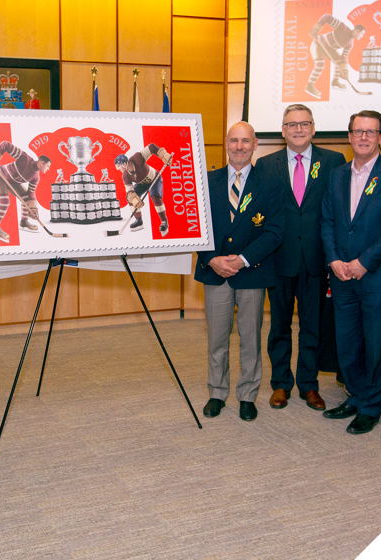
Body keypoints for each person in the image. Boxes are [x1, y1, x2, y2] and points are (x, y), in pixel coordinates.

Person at [320, 110, 381, 434]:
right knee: (347, 343)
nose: (363, 137)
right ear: (349, 136)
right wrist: (333, 260)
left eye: (370, 132)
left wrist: (364, 262)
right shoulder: (337, 175)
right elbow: (328, 220)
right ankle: (356, 396)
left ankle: (372, 406)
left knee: (377, 344)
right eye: (358, 131)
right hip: (341, 275)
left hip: (376, 276)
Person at [194, 122, 284, 422]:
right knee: (217, 338)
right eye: (234, 141)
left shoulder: (270, 182)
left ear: (256, 144)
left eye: (246, 141)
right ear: (225, 143)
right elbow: (196, 227)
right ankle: (217, 393)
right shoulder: (207, 181)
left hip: (252, 272)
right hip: (216, 271)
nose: (239, 147)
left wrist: (242, 259)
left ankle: (247, 395)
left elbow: (274, 232)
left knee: (251, 339)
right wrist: (211, 259)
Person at [259, 104, 345, 411]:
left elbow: (338, 211)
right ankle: (281, 384)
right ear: (283, 130)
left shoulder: (334, 161)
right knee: (279, 326)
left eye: (304, 123)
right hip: (278, 259)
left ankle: (309, 385)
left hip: (315, 259)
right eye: (291, 124)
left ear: (313, 128)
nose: (298, 129)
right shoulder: (266, 165)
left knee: (312, 326)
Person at [0, 141, 51, 241]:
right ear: (42, 163)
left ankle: (24, 222)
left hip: (13, 182)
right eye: (48, 166)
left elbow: (31, 193)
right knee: (4, 202)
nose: (48, 169)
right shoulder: (25, 158)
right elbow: (5, 145)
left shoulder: (36, 177)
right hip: (0, 176)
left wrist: (33, 209)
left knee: (27, 200)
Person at [114, 143, 173, 235]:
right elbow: (129, 190)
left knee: (155, 197)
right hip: (142, 184)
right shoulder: (125, 175)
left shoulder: (137, 158)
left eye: (119, 166)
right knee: (131, 198)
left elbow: (152, 147)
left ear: (124, 163)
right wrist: (133, 198)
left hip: (155, 179)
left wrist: (163, 154)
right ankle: (139, 220)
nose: (118, 169)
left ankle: (164, 221)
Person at [305, 15, 366, 98]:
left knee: (339, 62)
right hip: (319, 43)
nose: (362, 36)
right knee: (320, 65)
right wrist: (316, 30)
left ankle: (335, 81)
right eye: (362, 33)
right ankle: (309, 85)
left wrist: (344, 71)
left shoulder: (350, 43)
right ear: (356, 31)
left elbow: (344, 57)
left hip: (330, 48)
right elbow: (326, 17)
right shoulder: (343, 28)